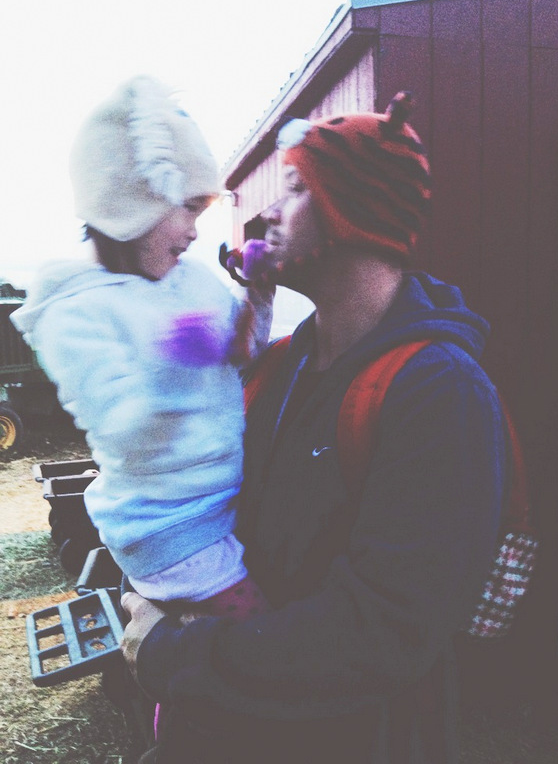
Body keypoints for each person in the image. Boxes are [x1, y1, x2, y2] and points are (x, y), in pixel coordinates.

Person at [120, 92, 507, 764]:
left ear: (353, 214)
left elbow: (382, 634)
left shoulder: (440, 392)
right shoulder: (282, 366)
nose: (269, 212)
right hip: (229, 733)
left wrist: (174, 654)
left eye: (296, 189)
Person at [11, 75, 272, 619]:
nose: (195, 232)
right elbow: (120, 430)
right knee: (254, 633)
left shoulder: (189, 279)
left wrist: (259, 293)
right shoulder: (74, 313)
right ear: (131, 205)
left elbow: (243, 351)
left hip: (223, 496)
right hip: (167, 526)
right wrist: (173, 365)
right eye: (187, 209)